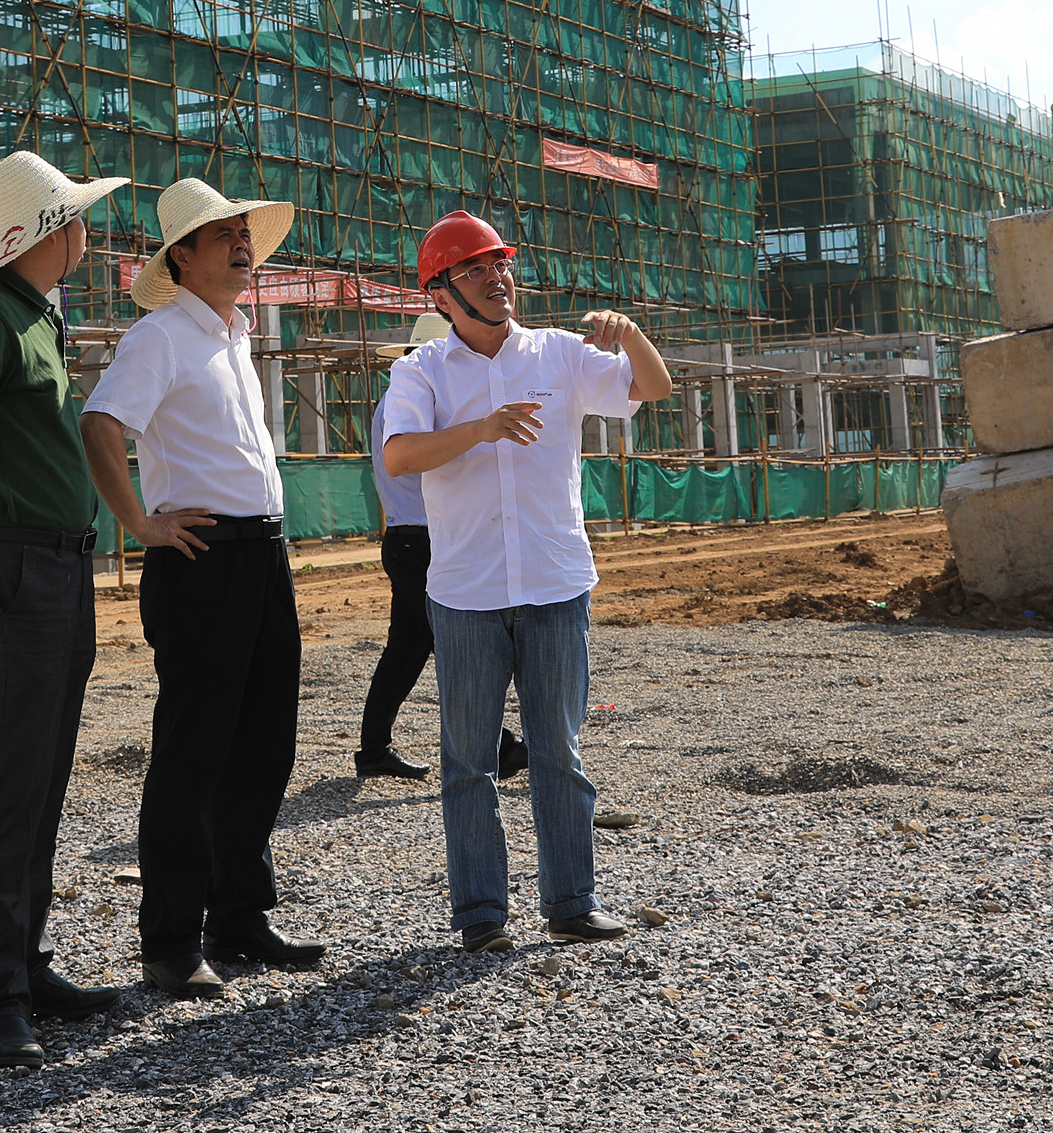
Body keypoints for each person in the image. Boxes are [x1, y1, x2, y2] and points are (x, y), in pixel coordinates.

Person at [380, 212, 673, 953]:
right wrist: (480, 428)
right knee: (467, 762)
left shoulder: (558, 353)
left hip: (554, 584)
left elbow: (653, 386)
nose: (497, 277)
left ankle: (572, 902)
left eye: (500, 263)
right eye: (475, 268)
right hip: (466, 593)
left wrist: (631, 334)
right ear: (440, 292)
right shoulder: (420, 371)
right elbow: (400, 456)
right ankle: (481, 915)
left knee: (558, 752)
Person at [82, 179, 326, 998]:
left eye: (243, 230)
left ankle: (240, 915)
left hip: (262, 556)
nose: (242, 243)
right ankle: (171, 939)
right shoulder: (160, 335)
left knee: (265, 742)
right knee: (193, 754)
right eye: (222, 234)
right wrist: (138, 523)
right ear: (180, 257)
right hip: (202, 559)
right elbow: (101, 423)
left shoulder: (234, 334)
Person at [0, 151, 132, 1069]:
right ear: (47, 231)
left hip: (58, 565)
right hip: (12, 565)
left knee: (42, 773)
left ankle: (27, 963)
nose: (87, 233)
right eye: (75, 218)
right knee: (11, 777)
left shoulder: (37, 315)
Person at [356, 314, 525, 785]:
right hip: (425, 542)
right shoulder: (415, 405)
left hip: (410, 540)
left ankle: (373, 750)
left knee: (407, 650)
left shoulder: (398, 403)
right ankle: (501, 747)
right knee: (460, 647)